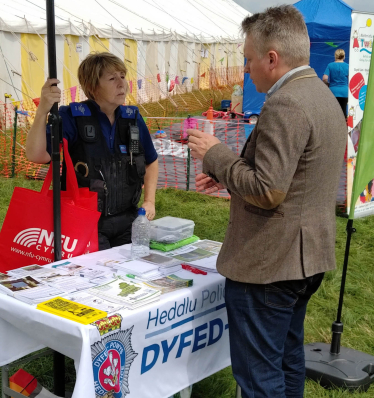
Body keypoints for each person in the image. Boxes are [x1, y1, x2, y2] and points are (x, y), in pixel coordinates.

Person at [187, 5, 346, 398]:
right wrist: (228, 173)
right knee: (287, 360)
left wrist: (216, 154)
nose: (247, 69)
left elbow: (269, 189)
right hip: (304, 257)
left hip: (270, 265)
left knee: (260, 377)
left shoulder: (285, 103)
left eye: (249, 60)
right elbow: (294, 176)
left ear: (271, 59)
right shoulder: (322, 95)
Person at [26, 52, 158, 250]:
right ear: (92, 87)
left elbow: (151, 160)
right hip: (86, 222)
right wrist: (42, 111)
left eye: (122, 76)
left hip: (129, 220)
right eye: (112, 78)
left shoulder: (132, 118)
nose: (122, 83)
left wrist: (149, 201)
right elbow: (36, 155)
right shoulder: (73, 117)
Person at [323, 49, 349, 117]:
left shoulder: (330, 65)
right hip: (344, 92)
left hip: (332, 92)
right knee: (343, 112)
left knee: (333, 113)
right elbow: (351, 79)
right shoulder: (347, 66)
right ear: (344, 56)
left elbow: (325, 78)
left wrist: (328, 84)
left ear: (335, 56)